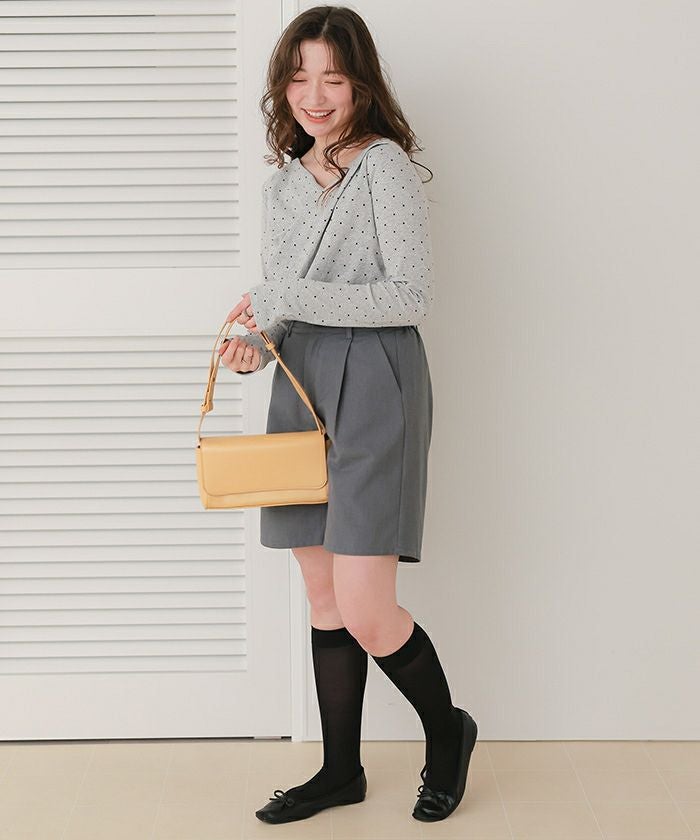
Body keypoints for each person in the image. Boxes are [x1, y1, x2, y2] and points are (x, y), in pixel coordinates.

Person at [219, 5, 478, 825]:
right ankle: (340, 771)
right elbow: (281, 306)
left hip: (374, 377)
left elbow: (410, 298)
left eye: (332, 77)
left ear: (361, 84)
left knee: (367, 606)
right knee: (324, 597)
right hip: (300, 383)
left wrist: (284, 296)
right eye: (299, 77)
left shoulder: (385, 167)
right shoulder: (282, 186)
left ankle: (449, 731)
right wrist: (255, 344)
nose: (315, 95)